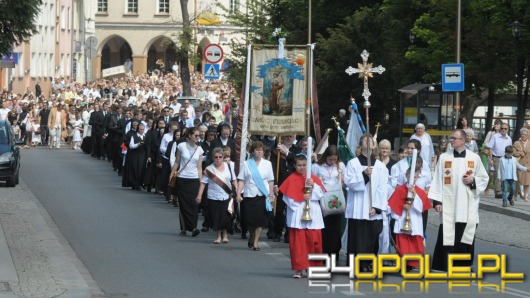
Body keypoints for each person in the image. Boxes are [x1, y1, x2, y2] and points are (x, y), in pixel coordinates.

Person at [430, 129, 489, 272]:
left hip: (467, 203)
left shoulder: (474, 158)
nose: (451, 140)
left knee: (465, 234)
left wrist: (472, 180)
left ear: (463, 141)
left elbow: (484, 178)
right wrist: (437, 202)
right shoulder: (444, 157)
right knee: (447, 233)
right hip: (449, 204)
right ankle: (443, 265)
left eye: (454, 138)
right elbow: (438, 179)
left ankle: (462, 266)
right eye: (451, 138)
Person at [344, 134, 388, 271]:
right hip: (358, 206)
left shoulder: (380, 167)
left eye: (371, 141)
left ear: (374, 145)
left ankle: (368, 262)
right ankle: (356, 265)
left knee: (371, 236)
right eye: (365, 140)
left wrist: (377, 207)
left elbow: (383, 188)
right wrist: (363, 175)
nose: (368, 143)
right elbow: (349, 183)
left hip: (373, 208)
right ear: (360, 144)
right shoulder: (353, 163)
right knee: (357, 237)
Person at [281, 154, 326, 278]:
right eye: (299, 165)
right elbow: (287, 198)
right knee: (298, 245)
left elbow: (321, 194)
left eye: (304, 165)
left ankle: (313, 268)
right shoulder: (291, 179)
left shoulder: (313, 178)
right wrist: (301, 198)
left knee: (314, 242)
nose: (301, 168)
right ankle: (299, 269)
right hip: (298, 215)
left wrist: (313, 186)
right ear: (295, 166)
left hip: (313, 214)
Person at [388, 156, 432, 270]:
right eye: (412, 176)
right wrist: (403, 206)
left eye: (416, 176)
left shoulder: (419, 191)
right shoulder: (400, 189)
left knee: (414, 243)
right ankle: (403, 263)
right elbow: (392, 206)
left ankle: (412, 263)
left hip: (415, 219)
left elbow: (421, 208)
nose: (414, 178)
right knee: (403, 243)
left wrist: (415, 195)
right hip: (402, 219)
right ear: (407, 176)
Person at [236, 141, 275, 251]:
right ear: (252, 152)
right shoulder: (247, 164)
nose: (259, 152)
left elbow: (271, 181)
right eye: (257, 150)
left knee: (260, 220)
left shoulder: (267, 164)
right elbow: (242, 180)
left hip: (262, 195)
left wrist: (271, 195)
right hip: (249, 194)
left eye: (261, 150)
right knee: (249, 219)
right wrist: (238, 193)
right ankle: (252, 234)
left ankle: (256, 242)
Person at [311, 145, 345, 262]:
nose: (332, 162)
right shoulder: (317, 166)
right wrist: (318, 181)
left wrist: (342, 179)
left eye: (334, 159)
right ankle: (324, 255)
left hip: (336, 200)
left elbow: (344, 184)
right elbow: (312, 183)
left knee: (336, 229)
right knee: (325, 229)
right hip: (323, 201)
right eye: (330, 159)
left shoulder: (340, 166)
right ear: (325, 157)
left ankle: (334, 255)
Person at [197, 147, 236, 244]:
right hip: (213, 196)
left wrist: (238, 192)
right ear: (213, 158)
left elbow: (234, 180)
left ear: (223, 157)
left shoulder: (229, 167)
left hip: (226, 196)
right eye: (216, 157)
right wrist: (199, 195)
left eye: (220, 157)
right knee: (216, 217)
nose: (218, 159)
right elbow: (203, 183)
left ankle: (225, 235)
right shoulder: (209, 169)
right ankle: (218, 236)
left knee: (226, 216)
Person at [170, 127, 203, 237]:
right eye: (196, 135)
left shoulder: (199, 149)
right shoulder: (181, 146)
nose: (198, 137)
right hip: (182, 178)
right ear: (190, 135)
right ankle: (184, 228)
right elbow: (177, 162)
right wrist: (171, 175)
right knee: (183, 204)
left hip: (194, 179)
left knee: (193, 204)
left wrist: (201, 181)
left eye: (199, 135)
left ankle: (193, 228)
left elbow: (199, 167)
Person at [487, 122, 512, 198]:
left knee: (504, 174)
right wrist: (491, 159)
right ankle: (498, 192)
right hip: (496, 157)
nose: (503, 130)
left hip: (505, 158)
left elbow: (510, 150)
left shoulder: (509, 138)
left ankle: (501, 189)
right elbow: (490, 148)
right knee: (497, 174)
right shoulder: (495, 136)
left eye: (505, 128)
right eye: (502, 128)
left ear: (508, 130)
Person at [483, 119, 502, 196]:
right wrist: (491, 145)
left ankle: (497, 190)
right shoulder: (491, 133)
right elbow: (485, 143)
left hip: (499, 155)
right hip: (491, 154)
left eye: (498, 124)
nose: (496, 125)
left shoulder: (502, 135)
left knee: (498, 174)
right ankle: (487, 187)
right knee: (491, 174)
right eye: (495, 124)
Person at [128, 123, 148, 190]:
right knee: (136, 169)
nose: (142, 130)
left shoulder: (146, 136)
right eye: (140, 129)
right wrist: (138, 144)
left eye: (143, 129)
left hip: (144, 155)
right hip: (136, 155)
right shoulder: (134, 136)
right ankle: (135, 184)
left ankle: (141, 183)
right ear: (138, 129)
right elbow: (131, 146)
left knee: (142, 170)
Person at [513, 128, 530, 201]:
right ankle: (516, 194)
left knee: (527, 181)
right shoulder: (517, 143)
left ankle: (525, 196)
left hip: (528, 164)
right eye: (522, 134)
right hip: (519, 164)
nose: (523, 136)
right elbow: (513, 153)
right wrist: (520, 153)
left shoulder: (529, 143)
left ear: (528, 135)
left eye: (525, 134)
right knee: (519, 180)